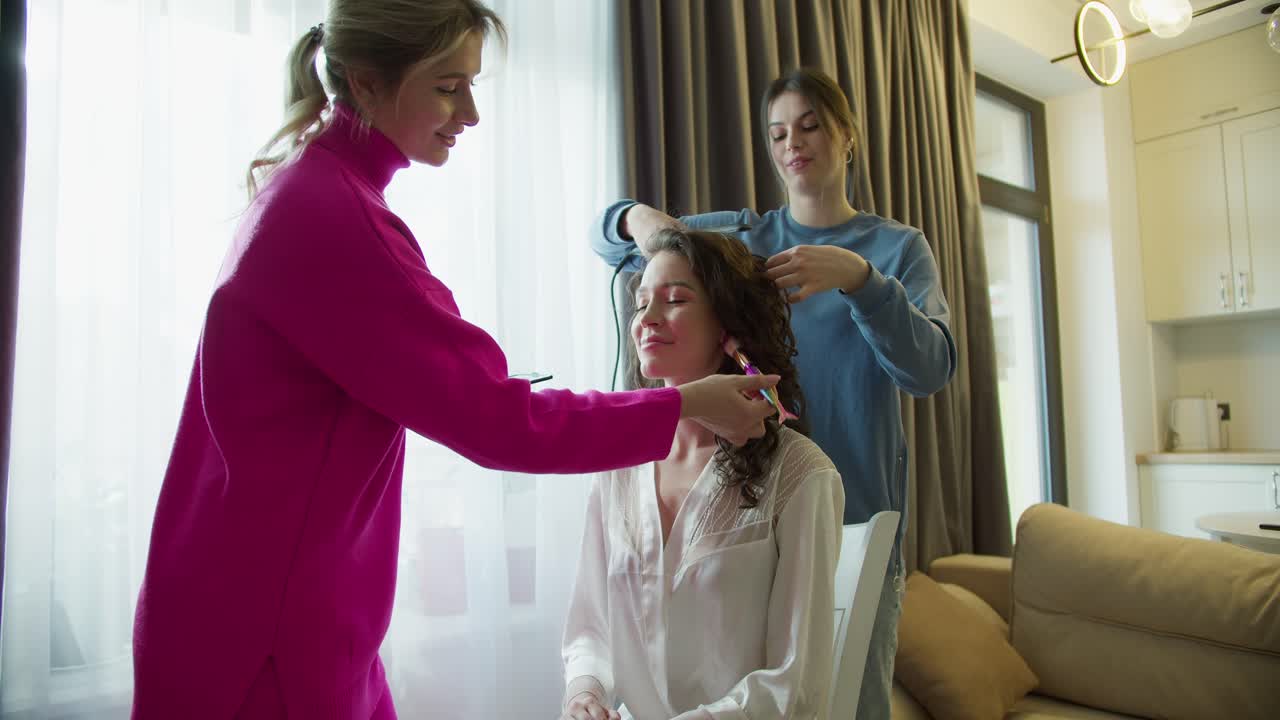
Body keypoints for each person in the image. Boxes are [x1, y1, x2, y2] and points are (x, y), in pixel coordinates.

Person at [130, 3, 780, 718]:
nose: (469, 111)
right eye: (447, 85)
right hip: (267, 635)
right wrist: (687, 404)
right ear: (367, 81)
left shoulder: (309, 194)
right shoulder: (334, 223)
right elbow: (501, 421)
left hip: (257, 606)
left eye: (471, 85)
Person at [590, 68, 957, 719]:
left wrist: (862, 281)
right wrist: (635, 217)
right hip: (748, 517)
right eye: (778, 132)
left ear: (847, 136)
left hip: (855, 515)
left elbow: (929, 369)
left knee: (844, 703)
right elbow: (614, 243)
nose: (794, 143)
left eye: (811, 125)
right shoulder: (747, 240)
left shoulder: (896, 251)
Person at [562, 229, 845, 720]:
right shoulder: (618, 469)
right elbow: (592, 627)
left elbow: (794, 684)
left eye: (674, 300)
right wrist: (584, 692)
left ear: (728, 328)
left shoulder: (801, 476)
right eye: (640, 303)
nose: (646, 320)